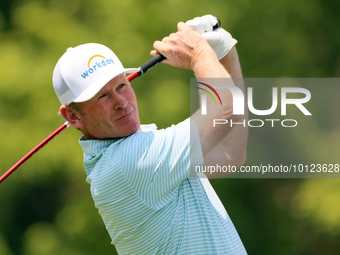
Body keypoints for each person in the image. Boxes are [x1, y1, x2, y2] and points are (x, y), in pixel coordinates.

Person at [53, 15, 248, 255]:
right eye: (103, 96)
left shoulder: (142, 152)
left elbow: (230, 154)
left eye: (121, 86)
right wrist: (199, 53)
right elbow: (226, 109)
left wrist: (224, 54)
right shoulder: (126, 164)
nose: (121, 103)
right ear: (73, 117)